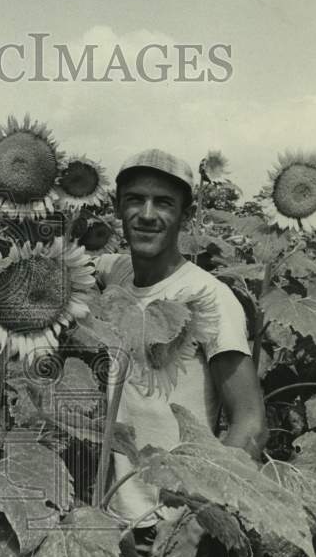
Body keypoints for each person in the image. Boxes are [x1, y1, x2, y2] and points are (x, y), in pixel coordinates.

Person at [94, 148, 267, 525]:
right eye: (135, 200)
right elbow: (75, 265)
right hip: (109, 517)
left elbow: (251, 422)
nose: (147, 214)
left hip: (172, 527)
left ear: (186, 216)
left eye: (164, 203)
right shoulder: (116, 273)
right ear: (117, 207)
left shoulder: (210, 297)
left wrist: (198, 518)